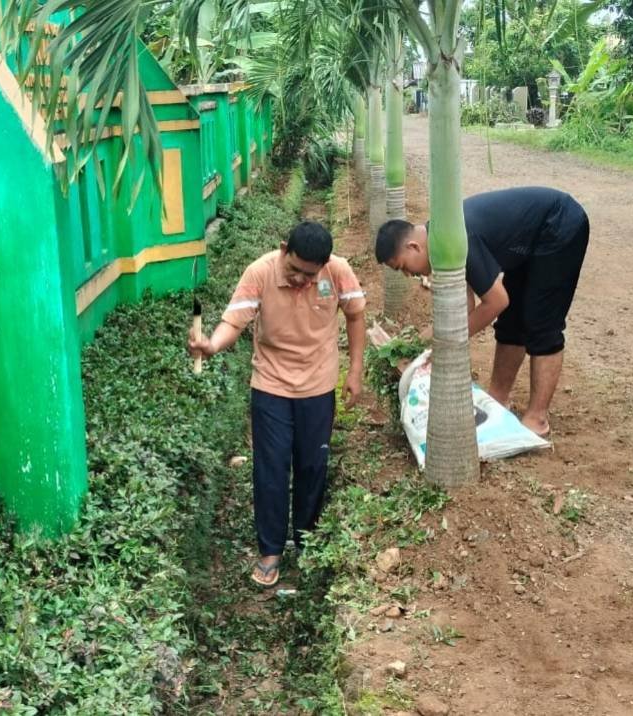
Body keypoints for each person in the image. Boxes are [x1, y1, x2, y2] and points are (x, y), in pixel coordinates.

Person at [189, 221, 367, 587]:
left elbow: (355, 315)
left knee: (312, 464)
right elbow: (233, 322)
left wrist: (355, 371)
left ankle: (306, 541)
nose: (302, 279)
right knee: (270, 468)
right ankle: (270, 550)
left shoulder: (338, 271)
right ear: (284, 248)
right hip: (270, 386)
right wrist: (212, 345)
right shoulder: (260, 272)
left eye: (309, 273)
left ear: (324, 264)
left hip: (318, 386)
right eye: (295, 270)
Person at [374, 186, 589, 437]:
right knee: (512, 323)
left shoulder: (459, 235)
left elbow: (496, 301)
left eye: (402, 267)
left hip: (559, 225)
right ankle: (498, 398)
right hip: (528, 240)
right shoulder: (443, 238)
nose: (409, 275)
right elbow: (464, 310)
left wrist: (444, 344)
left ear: (413, 247)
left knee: (541, 323)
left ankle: (537, 418)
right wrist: (418, 344)